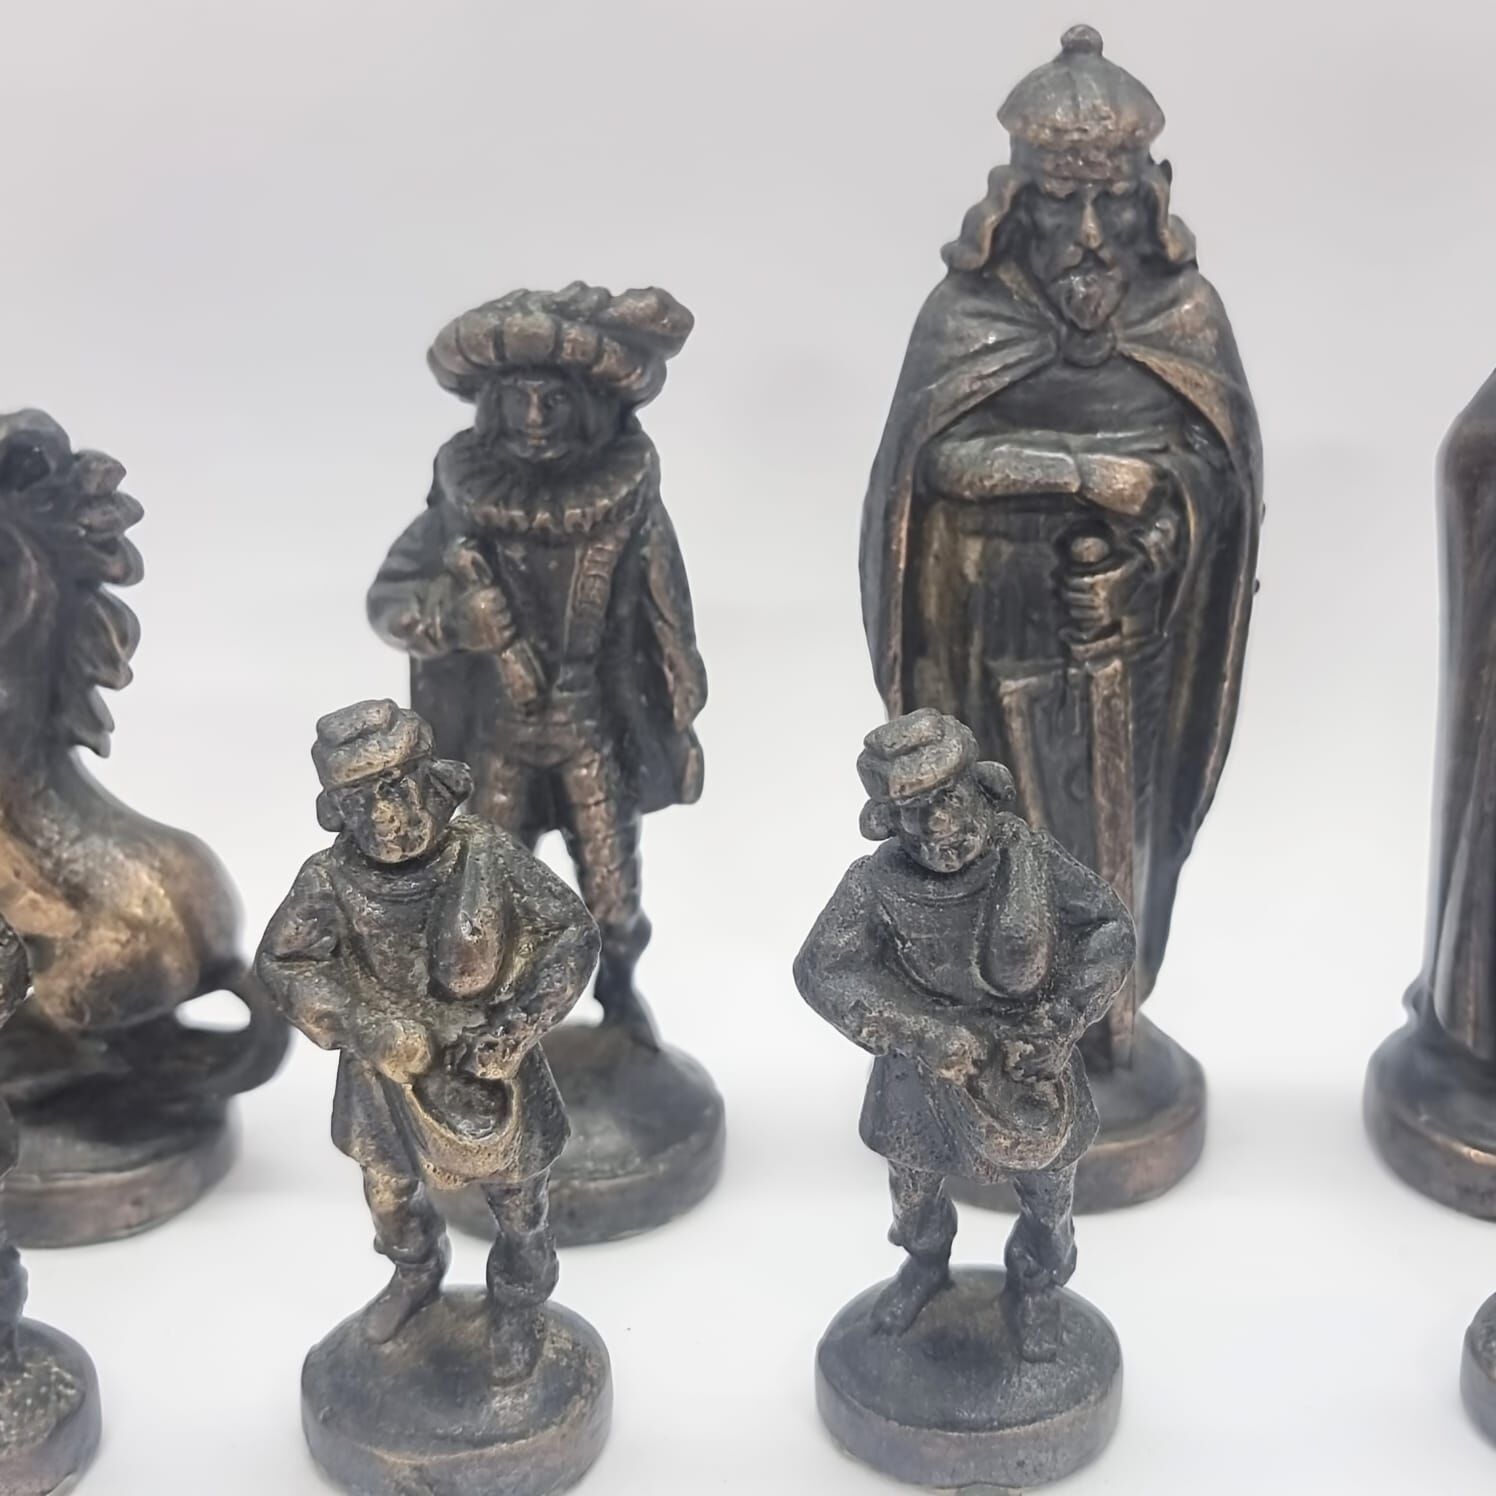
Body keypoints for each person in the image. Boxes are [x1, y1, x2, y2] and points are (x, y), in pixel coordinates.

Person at [859, 27, 1260, 1074]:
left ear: (1150, 201)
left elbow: (1216, 477)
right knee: (996, 843)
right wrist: (1082, 473)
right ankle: (1004, 1042)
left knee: (1121, 835)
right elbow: (926, 468)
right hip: (984, 626)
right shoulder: (965, 317)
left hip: (1132, 632)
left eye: (1111, 203)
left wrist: (1148, 552)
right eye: (1058, 202)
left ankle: (1103, 1027)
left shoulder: (1184, 315)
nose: (1087, 235)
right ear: (1012, 203)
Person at [368, 283, 706, 1042]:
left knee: (613, 890)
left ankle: (618, 997)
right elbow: (389, 600)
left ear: (586, 407)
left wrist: (679, 701)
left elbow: (666, 610)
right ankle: (495, 1017)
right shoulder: (458, 506)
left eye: (552, 401)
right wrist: (457, 620)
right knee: (485, 889)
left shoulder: (628, 503)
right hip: (497, 735)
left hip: (592, 727)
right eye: (518, 399)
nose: (533, 419)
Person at [257, 700, 598, 1381]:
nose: (384, 814)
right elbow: (283, 964)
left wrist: (519, 1026)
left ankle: (519, 1304)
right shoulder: (328, 879)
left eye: (395, 787)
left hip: (489, 1062)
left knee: (519, 1205)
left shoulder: (485, 853)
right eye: (361, 799)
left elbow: (570, 933)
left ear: (436, 782)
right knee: (388, 1195)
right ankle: (414, 1272)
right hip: (384, 1073)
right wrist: (363, 1024)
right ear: (336, 811)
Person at [795, 709, 1134, 1358]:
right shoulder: (875, 884)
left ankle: (1036, 1286)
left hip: (1031, 1065)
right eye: (914, 811)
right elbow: (823, 969)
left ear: (983, 787)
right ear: (889, 823)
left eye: (949, 798)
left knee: (1049, 1199)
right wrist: (920, 1031)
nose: (937, 824)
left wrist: (1063, 1018)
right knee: (914, 1195)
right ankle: (923, 1266)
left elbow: (1108, 930)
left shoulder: (1031, 859)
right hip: (921, 1073)